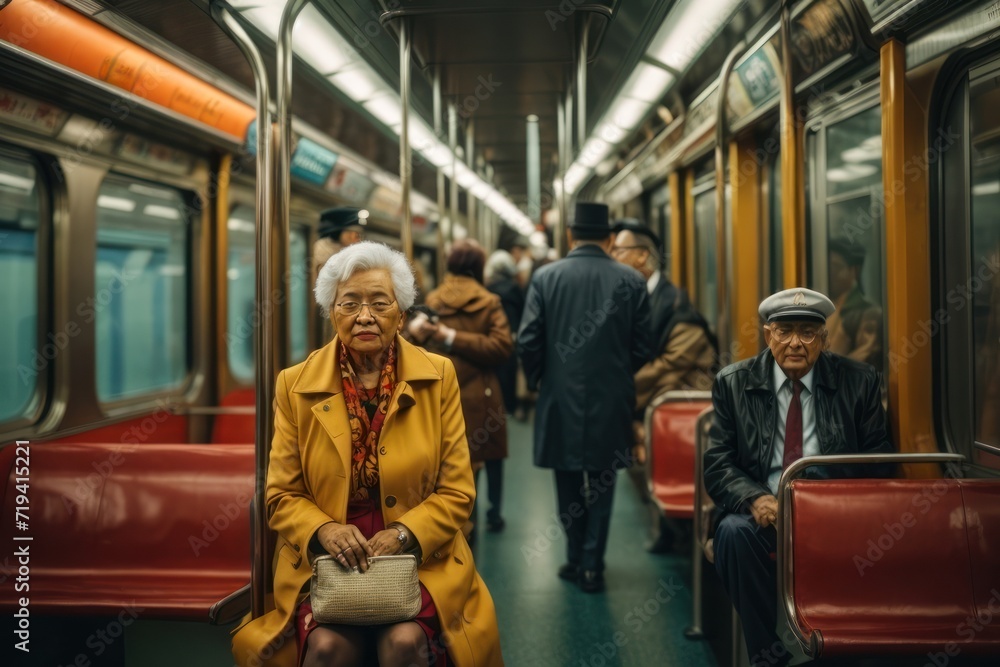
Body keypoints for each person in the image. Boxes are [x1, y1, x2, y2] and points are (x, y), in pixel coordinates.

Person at [232, 242, 503, 667]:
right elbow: (280, 495)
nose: (364, 316)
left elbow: (457, 491)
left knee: (404, 644)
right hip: (325, 559)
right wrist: (324, 529)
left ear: (401, 312)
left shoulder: (438, 376)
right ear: (330, 312)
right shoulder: (294, 385)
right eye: (349, 303)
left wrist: (403, 534)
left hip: (422, 553)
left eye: (379, 303)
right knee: (327, 649)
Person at [704, 287, 893, 667]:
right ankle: (767, 656)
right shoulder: (733, 382)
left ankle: (842, 648)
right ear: (767, 334)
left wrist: (841, 505)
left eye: (807, 333)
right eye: (784, 331)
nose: (795, 343)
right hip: (764, 506)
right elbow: (718, 462)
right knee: (732, 534)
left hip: (835, 509)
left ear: (824, 339)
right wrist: (753, 498)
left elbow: (880, 460)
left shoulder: (859, 381)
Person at [518, 202, 653, 593]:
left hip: (559, 396)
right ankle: (593, 565)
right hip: (613, 397)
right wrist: (617, 371)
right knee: (604, 482)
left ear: (570, 236)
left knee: (567, 482)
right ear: (610, 238)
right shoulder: (632, 281)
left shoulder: (546, 277)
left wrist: (542, 379)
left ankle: (575, 556)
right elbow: (644, 345)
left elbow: (528, 341)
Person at [611, 220, 717, 553]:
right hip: (653, 398)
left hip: (681, 400)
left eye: (619, 251)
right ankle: (671, 528)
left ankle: (684, 534)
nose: (612, 257)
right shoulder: (635, 296)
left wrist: (621, 391)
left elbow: (670, 367)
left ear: (642, 257)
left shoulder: (674, 304)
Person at [415, 240, 513, 536]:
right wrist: (457, 337)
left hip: (442, 392)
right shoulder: (489, 301)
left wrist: (445, 337)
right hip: (481, 391)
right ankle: (494, 512)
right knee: (491, 453)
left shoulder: (433, 300)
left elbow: (419, 347)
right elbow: (502, 346)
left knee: (454, 459)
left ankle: (462, 520)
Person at [825, 237, 883, 368]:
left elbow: (865, 357)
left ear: (854, 271)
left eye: (835, 267)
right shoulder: (824, 310)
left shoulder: (868, 314)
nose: (830, 273)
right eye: (827, 267)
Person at [484, 249, 526, 420]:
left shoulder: (487, 289)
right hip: (513, 335)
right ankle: (511, 405)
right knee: (511, 372)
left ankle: (495, 406)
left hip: (493, 335)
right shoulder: (516, 288)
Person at [312, 206, 368, 274]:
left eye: (359, 235)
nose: (358, 239)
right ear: (338, 232)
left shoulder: (342, 250)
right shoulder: (324, 251)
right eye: (355, 234)